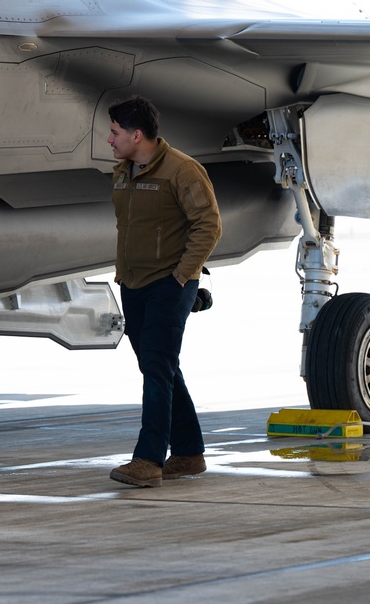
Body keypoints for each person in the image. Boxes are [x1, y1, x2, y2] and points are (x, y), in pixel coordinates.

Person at [106, 96, 222, 488]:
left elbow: (209, 225)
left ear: (137, 134)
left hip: (168, 285)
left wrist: (182, 278)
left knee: (156, 368)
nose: (110, 139)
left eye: (115, 132)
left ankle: (148, 459)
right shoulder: (124, 171)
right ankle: (189, 453)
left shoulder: (182, 171)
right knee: (160, 367)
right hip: (134, 283)